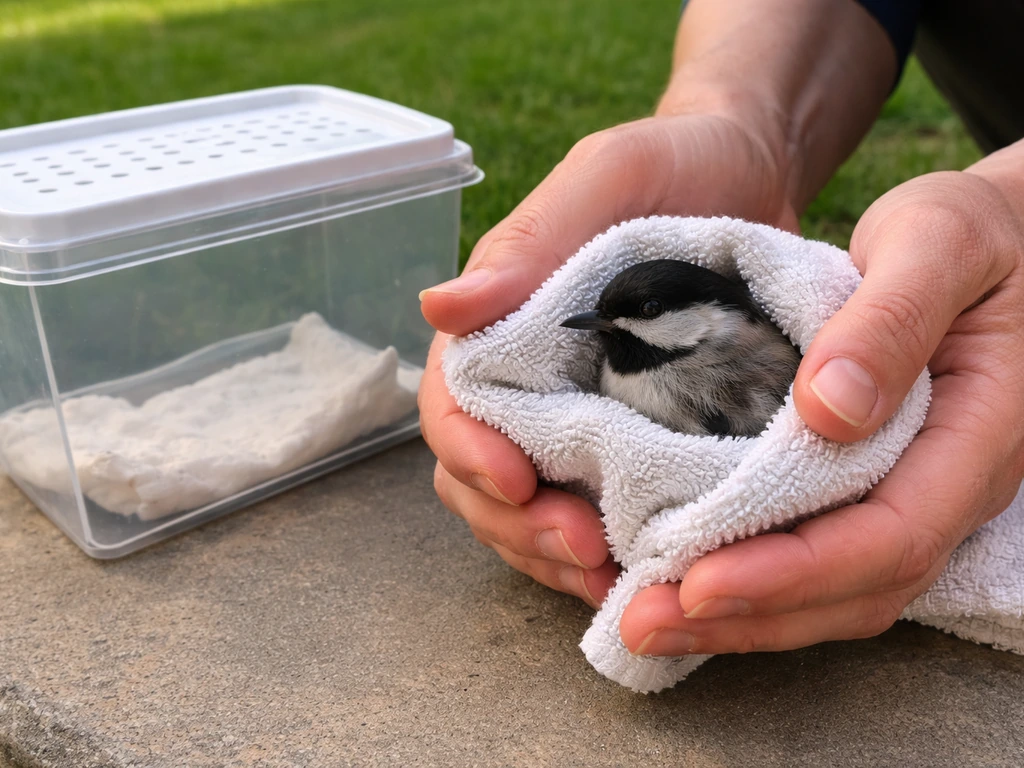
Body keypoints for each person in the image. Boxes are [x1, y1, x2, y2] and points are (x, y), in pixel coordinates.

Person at [417, 0, 1024, 658]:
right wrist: (734, 118)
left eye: (643, 315)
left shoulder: (741, 347)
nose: (608, 330)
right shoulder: (619, 363)